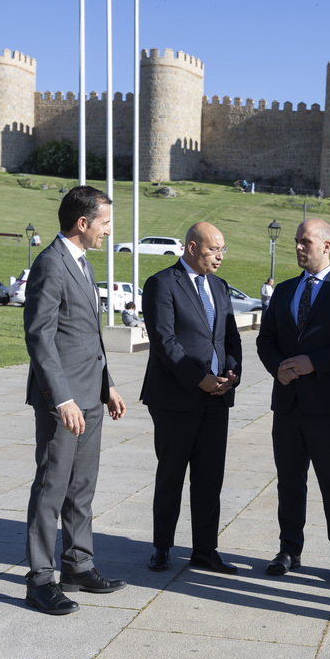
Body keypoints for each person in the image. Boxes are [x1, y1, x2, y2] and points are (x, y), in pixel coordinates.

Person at [23, 185, 128, 616]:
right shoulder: (51, 263)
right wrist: (61, 397)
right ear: (82, 223)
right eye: (104, 223)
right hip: (62, 400)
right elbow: (40, 337)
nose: (109, 231)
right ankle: (40, 579)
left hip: (90, 395)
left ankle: (78, 565)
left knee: (81, 489)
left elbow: (86, 335)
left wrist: (108, 386)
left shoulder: (81, 263)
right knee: (52, 488)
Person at [256, 218, 330, 586]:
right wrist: (279, 368)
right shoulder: (285, 290)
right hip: (288, 403)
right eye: (296, 241)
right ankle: (289, 550)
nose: (298, 247)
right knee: (289, 482)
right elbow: (266, 340)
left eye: (305, 241)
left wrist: (313, 363)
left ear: (327, 245)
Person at [140, 222, 242, 574]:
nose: (220, 256)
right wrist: (199, 379)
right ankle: (162, 547)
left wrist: (232, 372)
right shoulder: (162, 284)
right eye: (215, 249)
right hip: (175, 398)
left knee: (210, 478)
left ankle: (205, 550)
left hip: (217, 399)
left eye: (223, 249)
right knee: (171, 475)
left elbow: (229, 337)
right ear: (192, 247)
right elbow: (164, 341)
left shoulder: (220, 286)